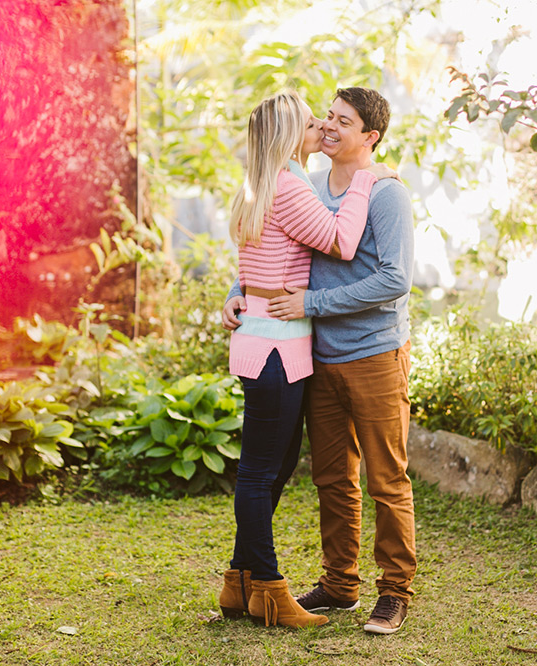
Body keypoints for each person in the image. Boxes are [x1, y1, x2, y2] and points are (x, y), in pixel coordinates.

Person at [223, 87, 416, 635]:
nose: (328, 126)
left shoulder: (384, 192)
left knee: (386, 479)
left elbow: (395, 278)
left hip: (374, 352)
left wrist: (312, 303)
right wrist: (240, 289)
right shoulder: (305, 184)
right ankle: (339, 584)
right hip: (313, 356)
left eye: (341, 121)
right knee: (333, 478)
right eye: (324, 118)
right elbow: (272, 246)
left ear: (370, 136)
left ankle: (395, 593)